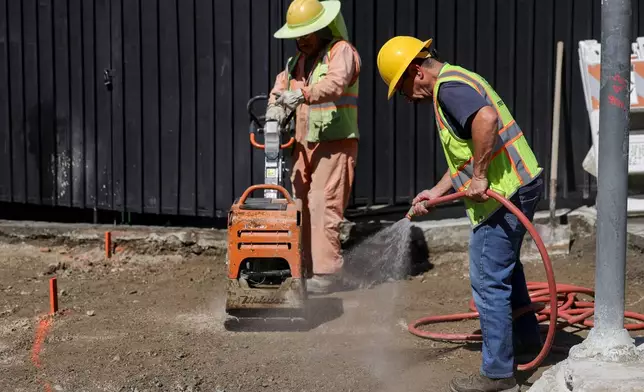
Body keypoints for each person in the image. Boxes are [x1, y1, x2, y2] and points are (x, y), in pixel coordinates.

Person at [377, 36, 544, 392]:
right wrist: (436, 192)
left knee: (488, 280)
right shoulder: (456, 80)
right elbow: (467, 154)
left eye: (402, 88)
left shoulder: (448, 91)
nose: (406, 99)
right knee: (506, 269)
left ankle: (498, 375)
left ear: (417, 72)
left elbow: (486, 120)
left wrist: (482, 177)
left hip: (503, 192)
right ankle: (526, 338)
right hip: (522, 180)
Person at [267, 0, 361, 294]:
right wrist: (274, 111)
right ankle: (302, 268)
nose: (301, 40)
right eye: (298, 34)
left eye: (306, 34)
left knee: (323, 205)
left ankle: (327, 273)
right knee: (299, 206)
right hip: (302, 144)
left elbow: (335, 85)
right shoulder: (295, 63)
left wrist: (302, 95)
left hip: (334, 144)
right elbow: (278, 92)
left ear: (322, 28)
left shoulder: (341, 52)